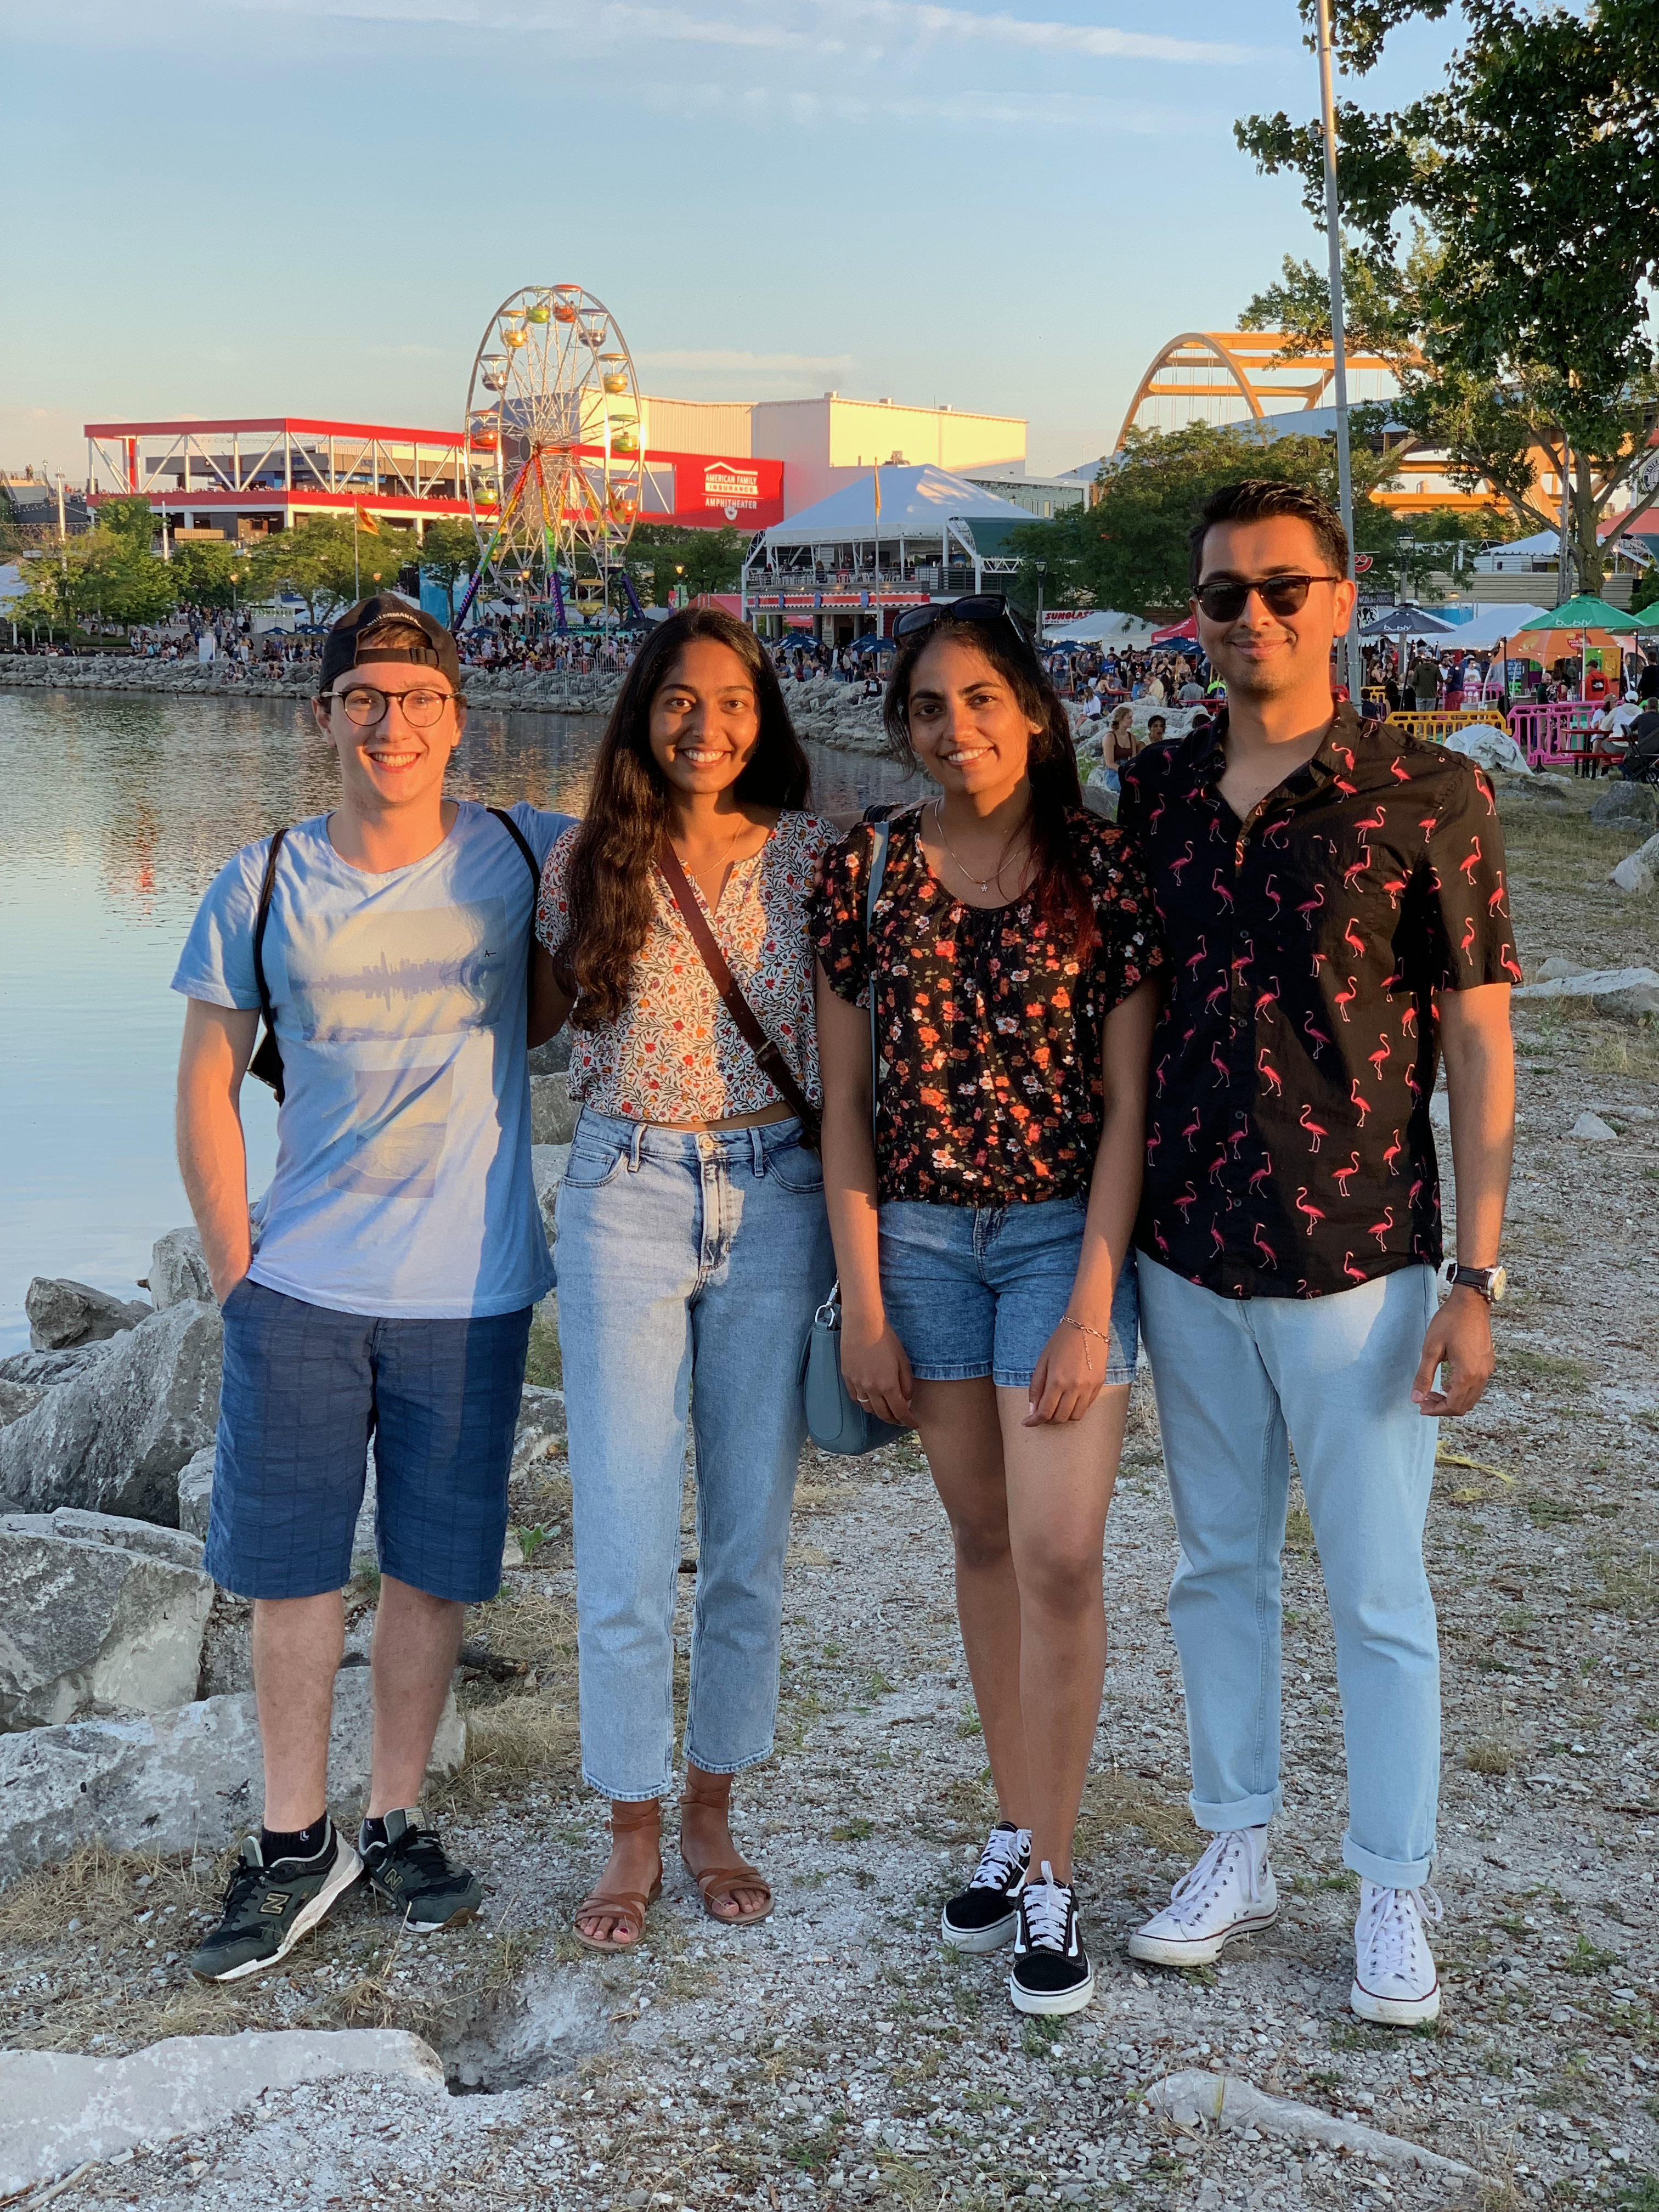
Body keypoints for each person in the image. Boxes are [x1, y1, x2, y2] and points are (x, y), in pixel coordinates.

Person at [1117, 481, 1516, 2027]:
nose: (1255, 617)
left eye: (1286, 589)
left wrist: (1475, 1277)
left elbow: (1480, 1047)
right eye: (1226, 595)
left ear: (1343, 600)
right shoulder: (1150, 794)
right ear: (1197, 614)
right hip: (1187, 1252)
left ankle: (1393, 1881)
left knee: (1377, 1587)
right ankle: (1239, 1845)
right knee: (1216, 1571)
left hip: (1364, 1259)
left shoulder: (1431, 797)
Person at [173, 598, 572, 1982]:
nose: (390, 722)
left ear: (460, 716)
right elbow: (208, 1083)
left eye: (416, 697)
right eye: (364, 698)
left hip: (469, 1285)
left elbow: (684, 848)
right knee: (289, 1574)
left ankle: (398, 1813)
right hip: (303, 1283)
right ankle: (294, 1841)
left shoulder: (525, 852)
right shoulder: (263, 879)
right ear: (324, 715)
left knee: (428, 1567)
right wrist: (236, 1265)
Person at [810, 596, 1162, 2016]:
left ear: (1033, 710)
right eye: (927, 709)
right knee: (981, 1538)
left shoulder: (1103, 870)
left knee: (1063, 1554)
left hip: (1056, 1242)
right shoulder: (869, 869)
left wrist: (1091, 1302)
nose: (953, 731)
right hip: (920, 1245)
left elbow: (1131, 1106)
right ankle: (1017, 1826)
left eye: (978, 701)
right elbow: (845, 1104)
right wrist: (862, 1295)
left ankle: (1059, 1887)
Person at [532, 608, 838, 1952]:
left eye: (729, 701)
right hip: (623, 1197)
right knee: (621, 1522)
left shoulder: (821, 862)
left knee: (750, 1534)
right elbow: (521, 1019)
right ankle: (632, 1823)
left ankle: (713, 1803)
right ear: (641, 713)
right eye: (677, 699)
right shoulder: (582, 857)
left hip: (776, 1196)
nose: (702, 725)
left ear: (762, 716)